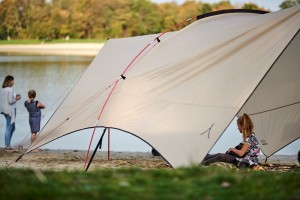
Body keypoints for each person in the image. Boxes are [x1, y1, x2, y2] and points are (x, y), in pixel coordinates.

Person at [0, 75, 21, 151]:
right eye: (13, 80)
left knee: (12, 127)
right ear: (10, 81)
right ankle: (7, 146)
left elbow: (3, 100)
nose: (13, 82)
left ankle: (8, 144)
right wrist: (17, 98)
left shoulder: (3, 89)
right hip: (10, 110)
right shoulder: (10, 89)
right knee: (9, 127)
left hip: (4, 111)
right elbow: (11, 101)